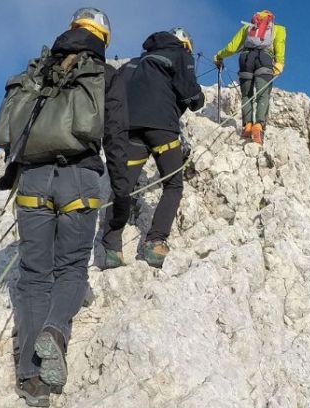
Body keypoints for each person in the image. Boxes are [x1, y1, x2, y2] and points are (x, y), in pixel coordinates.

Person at [0, 7, 126, 408]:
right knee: (70, 269)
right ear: (103, 39)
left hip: (33, 181)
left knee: (34, 276)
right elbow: (117, 138)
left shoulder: (37, 70)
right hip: (80, 181)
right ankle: (55, 330)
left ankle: (31, 380)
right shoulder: (106, 76)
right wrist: (121, 191)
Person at [99, 27, 204, 269]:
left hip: (129, 129)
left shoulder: (134, 63)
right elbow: (190, 95)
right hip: (161, 128)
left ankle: (112, 246)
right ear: (184, 44)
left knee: (122, 187)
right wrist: (199, 99)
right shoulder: (180, 55)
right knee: (173, 183)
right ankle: (155, 242)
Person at [214, 10, 286, 144]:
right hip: (264, 58)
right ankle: (259, 126)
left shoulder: (247, 27)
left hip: (245, 58)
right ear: (270, 19)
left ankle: (247, 125)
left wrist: (219, 56)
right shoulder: (278, 29)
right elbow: (279, 45)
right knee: (262, 94)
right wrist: (280, 62)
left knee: (246, 95)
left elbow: (232, 47)